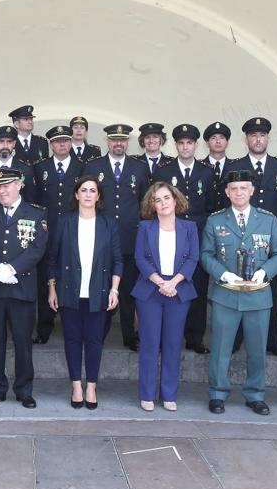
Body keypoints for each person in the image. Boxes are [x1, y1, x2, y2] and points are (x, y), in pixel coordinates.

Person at [201, 169, 277, 415]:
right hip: (226, 294)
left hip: (258, 296)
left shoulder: (268, 220)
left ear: (252, 191)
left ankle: (255, 394)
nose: (239, 192)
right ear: (227, 192)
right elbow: (206, 255)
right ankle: (217, 393)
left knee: (257, 350)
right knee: (220, 349)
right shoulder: (215, 221)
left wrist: (265, 272)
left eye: (243, 188)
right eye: (234, 189)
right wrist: (223, 274)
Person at [0, 168, 48, 409]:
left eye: (6, 186)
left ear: (19, 185)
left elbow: (38, 248)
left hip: (21, 288)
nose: (1, 191)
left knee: (23, 342)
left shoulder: (36, 213)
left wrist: (13, 269)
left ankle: (24, 390)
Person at [47, 175, 121, 410]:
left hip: (99, 291)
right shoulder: (64, 222)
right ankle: (76, 385)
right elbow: (52, 259)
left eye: (92, 191)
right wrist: (52, 289)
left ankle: (91, 386)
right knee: (72, 339)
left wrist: (115, 290)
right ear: (76, 194)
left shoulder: (109, 223)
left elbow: (118, 260)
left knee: (94, 340)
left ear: (98, 196)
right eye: (84, 190)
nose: (88, 194)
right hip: (69, 290)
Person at [225, 117, 277, 357]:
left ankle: (272, 341)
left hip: (269, 238)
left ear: (268, 138)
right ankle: (235, 340)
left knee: (269, 288)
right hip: (240, 236)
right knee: (237, 289)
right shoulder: (235, 166)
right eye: (253, 135)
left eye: (262, 135)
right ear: (246, 139)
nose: (258, 139)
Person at [132, 181, 199, 412]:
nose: (163, 203)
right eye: (157, 200)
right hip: (150, 290)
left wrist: (173, 282)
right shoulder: (145, 227)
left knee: (172, 344)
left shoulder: (190, 227)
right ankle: (147, 394)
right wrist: (161, 282)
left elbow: (193, 258)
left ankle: (169, 394)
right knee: (149, 344)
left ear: (175, 199)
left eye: (166, 198)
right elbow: (140, 258)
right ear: (152, 205)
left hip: (178, 291)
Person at [83, 124, 150, 351]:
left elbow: (145, 204)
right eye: (114, 139)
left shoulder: (139, 167)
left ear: (127, 142)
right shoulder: (93, 166)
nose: (118, 143)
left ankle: (130, 337)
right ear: (107, 141)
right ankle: (98, 336)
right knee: (102, 289)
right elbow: (88, 202)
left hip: (131, 239)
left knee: (129, 290)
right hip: (102, 239)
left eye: (122, 139)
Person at [151, 124, 217, 354]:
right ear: (175, 145)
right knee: (167, 282)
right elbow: (157, 204)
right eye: (181, 143)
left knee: (196, 285)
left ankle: (194, 337)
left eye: (189, 143)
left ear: (196, 145)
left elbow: (211, 207)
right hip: (169, 235)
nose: (185, 147)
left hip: (196, 236)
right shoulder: (163, 171)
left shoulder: (207, 172)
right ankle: (166, 336)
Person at [32, 125, 84, 343]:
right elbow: (34, 201)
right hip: (47, 233)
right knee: (46, 279)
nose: (62, 144)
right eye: (57, 141)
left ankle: (76, 326)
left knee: (75, 278)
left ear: (71, 142)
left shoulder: (82, 167)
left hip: (75, 232)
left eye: (66, 140)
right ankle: (44, 328)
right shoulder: (39, 167)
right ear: (51, 145)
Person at [203, 121, 233, 212]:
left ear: (227, 143)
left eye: (222, 138)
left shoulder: (235, 167)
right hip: (205, 218)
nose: (218, 141)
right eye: (213, 138)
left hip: (229, 217)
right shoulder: (199, 167)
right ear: (207, 143)